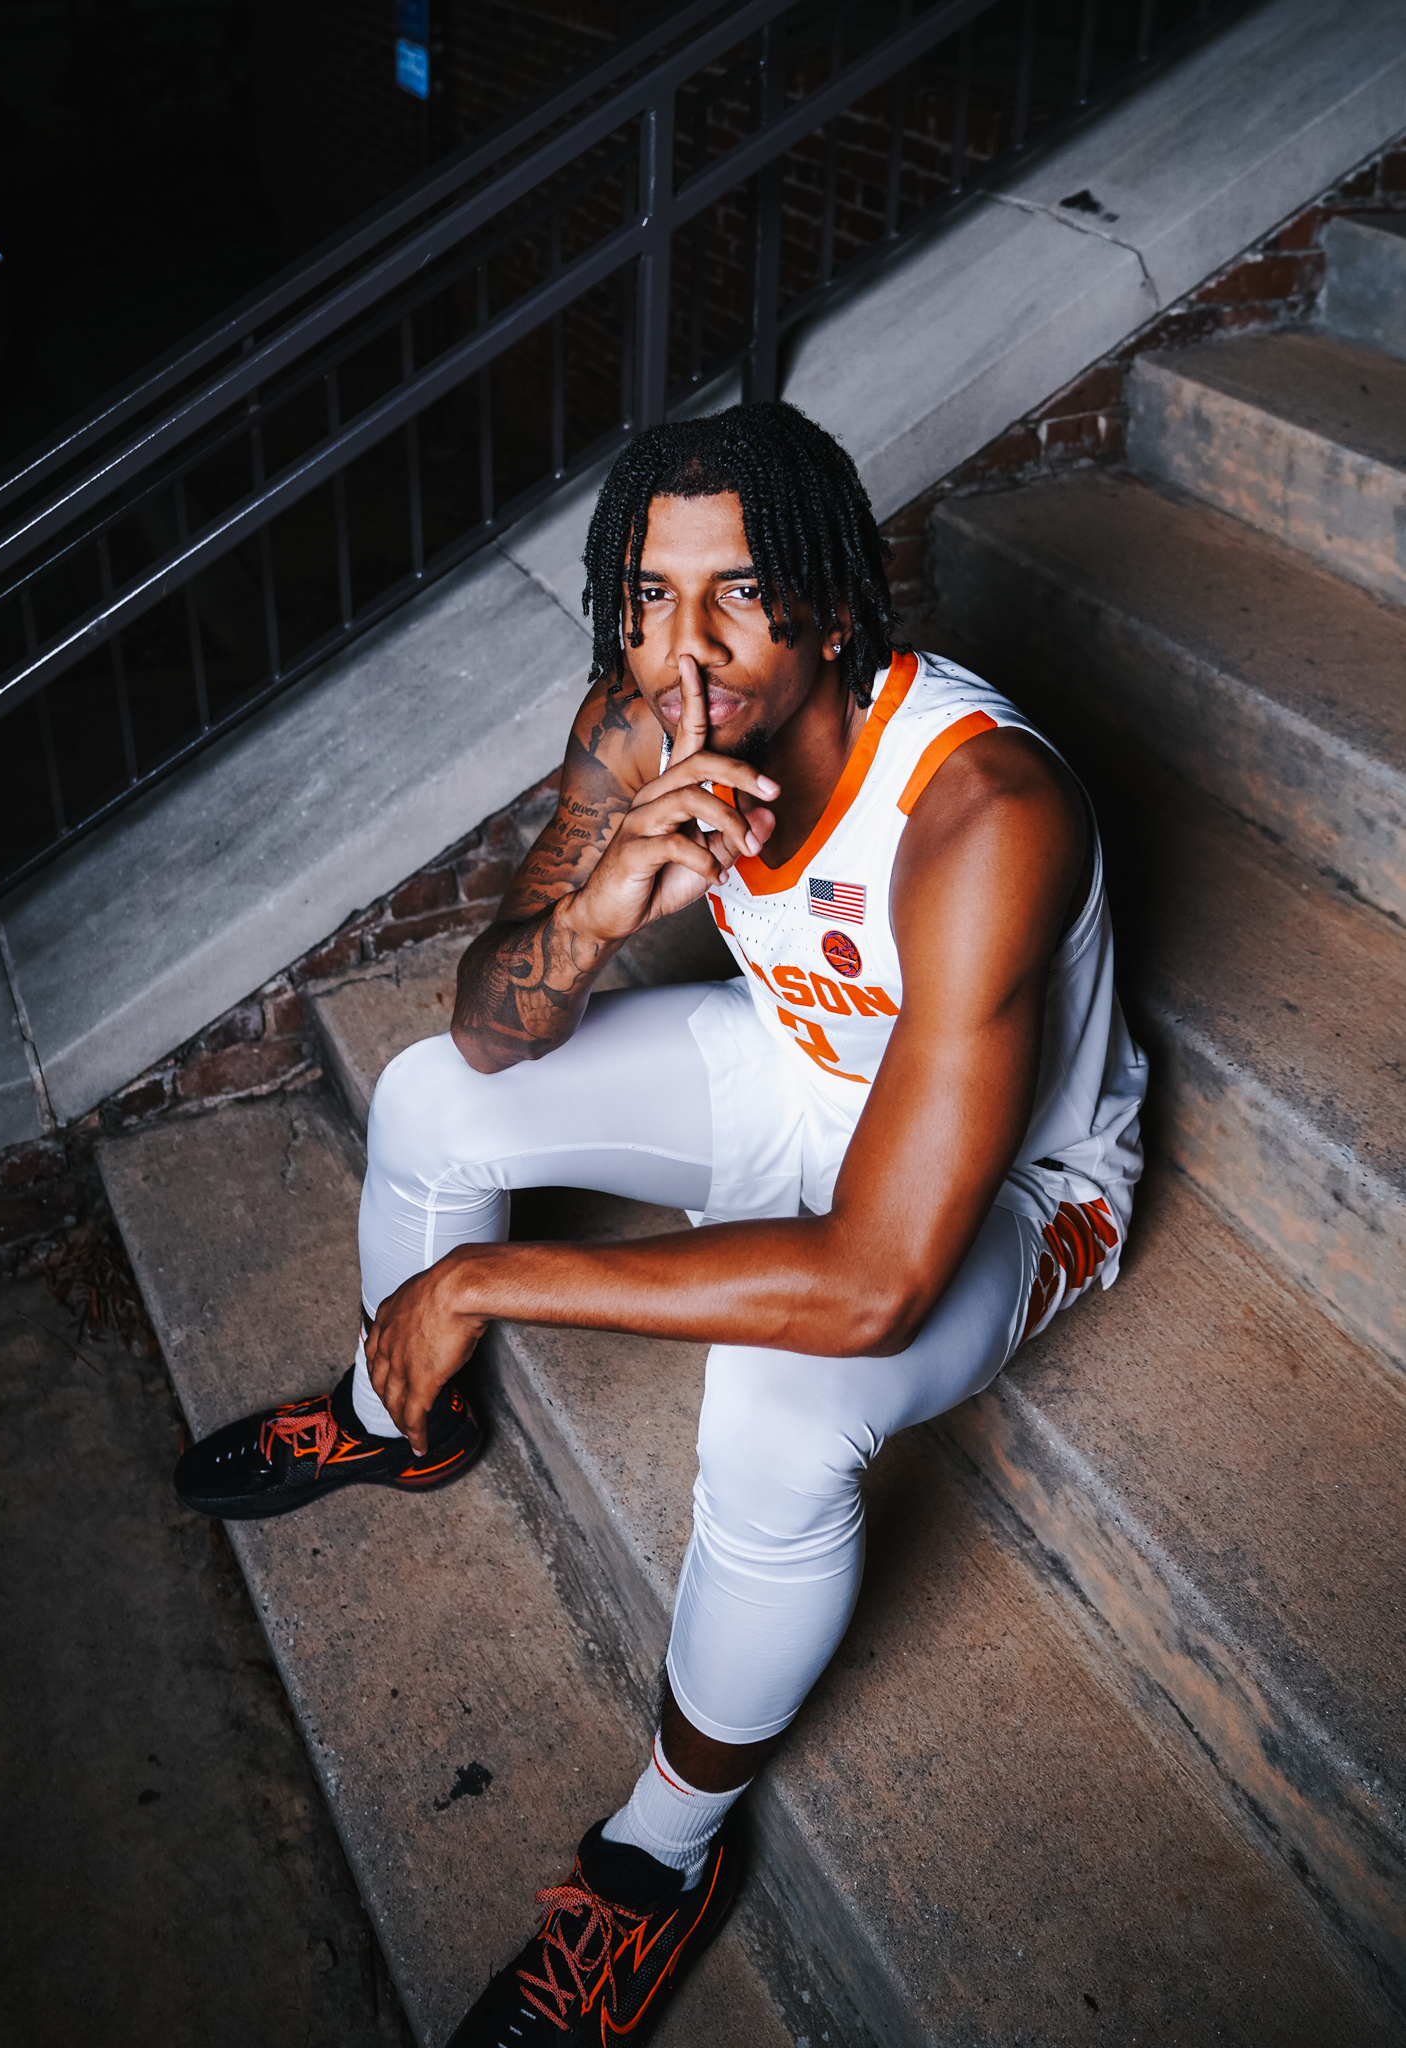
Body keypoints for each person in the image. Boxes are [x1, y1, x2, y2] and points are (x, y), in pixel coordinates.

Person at [174, 400, 1146, 2043]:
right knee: (428, 1096)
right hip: (800, 1065)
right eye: (646, 596)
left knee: (780, 1406)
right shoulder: (636, 732)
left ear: (829, 605)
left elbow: (873, 1288)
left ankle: (658, 1858)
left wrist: (480, 1280)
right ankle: (391, 1419)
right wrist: (600, 906)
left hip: (1011, 1187)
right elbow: (487, 1029)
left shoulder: (981, 811)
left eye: (736, 592)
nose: (682, 648)